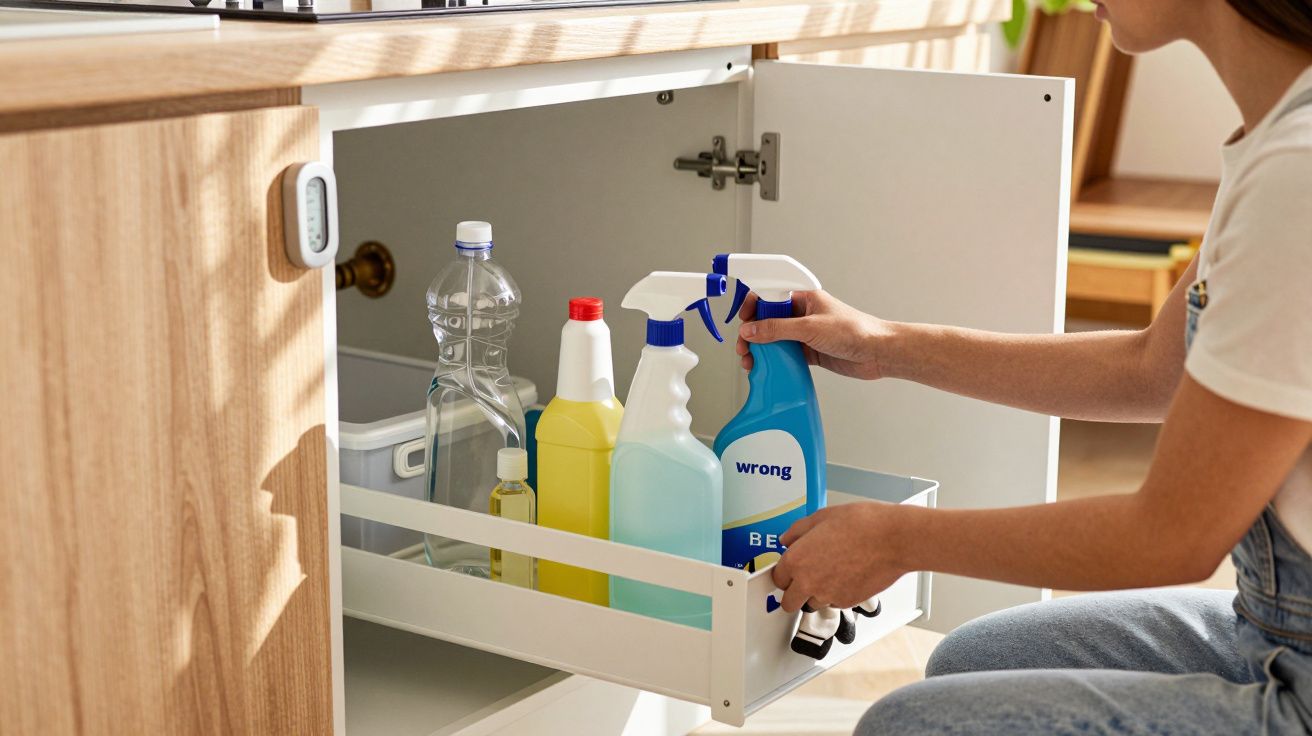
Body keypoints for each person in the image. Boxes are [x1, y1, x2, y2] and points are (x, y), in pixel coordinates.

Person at [739, 1, 1312, 732]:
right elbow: (1151, 371)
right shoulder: (1275, 137)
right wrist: (883, 343)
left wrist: (898, 539)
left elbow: (1172, 538)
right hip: (1271, 630)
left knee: (911, 725)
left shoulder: (1297, 176)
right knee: (982, 659)